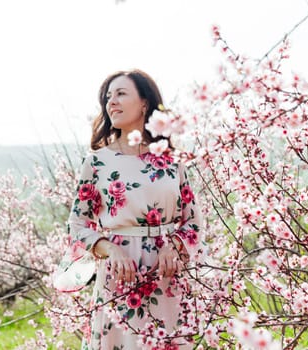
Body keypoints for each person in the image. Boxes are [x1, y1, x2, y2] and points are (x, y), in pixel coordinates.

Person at [64, 69, 203, 349]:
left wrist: (174, 245)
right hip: (119, 278)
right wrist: (111, 250)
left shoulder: (172, 161)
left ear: (144, 103)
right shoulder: (97, 162)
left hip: (166, 277)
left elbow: (194, 222)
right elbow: (76, 226)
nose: (111, 102)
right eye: (107, 97)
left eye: (121, 94)